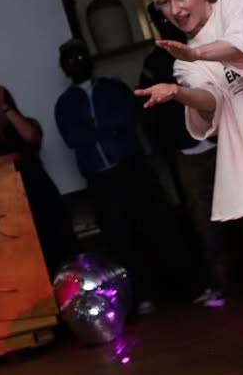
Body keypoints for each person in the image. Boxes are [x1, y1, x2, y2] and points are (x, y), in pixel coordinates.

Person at [136, 0, 243, 244]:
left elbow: (241, 41)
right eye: (165, 3)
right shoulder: (183, 63)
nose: (175, 10)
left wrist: (197, 54)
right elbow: (212, 103)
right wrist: (178, 93)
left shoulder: (233, 3)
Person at [54, 39, 163, 313]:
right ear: (64, 67)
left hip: (131, 168)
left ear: (90, 60)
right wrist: (105, 128)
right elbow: (73, 138)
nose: (77, 63)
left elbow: (128, 117)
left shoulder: (113, 88)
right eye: (70, 60)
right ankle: (141, 297)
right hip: (100, 180)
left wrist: (95, 127)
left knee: (154, 225)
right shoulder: (65, 103)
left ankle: (179, 286)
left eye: (80, 57)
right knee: (120, 240)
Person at [137, 6, 228, 307]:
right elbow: (149, 114)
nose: (168, 23)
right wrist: (169, 147)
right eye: (160, 20)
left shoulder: (205, 47)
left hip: (224, 143)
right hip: (187, 152)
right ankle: (221, 285)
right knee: (205, 224)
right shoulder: (153, 64)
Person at [0, 85, 76, 278]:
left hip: (40, 191)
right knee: (29, 255)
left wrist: (6, 109)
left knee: (59, 245)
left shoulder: (27, 123)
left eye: (0, 105)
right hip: (9, 200)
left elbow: (31, 136)